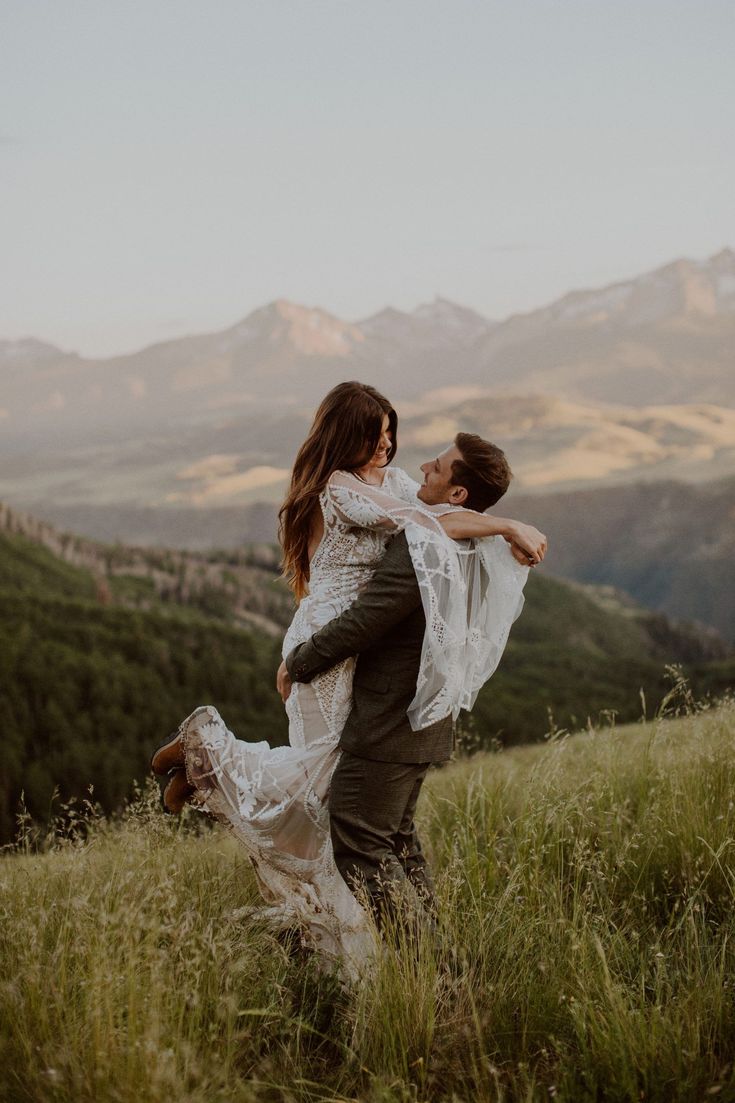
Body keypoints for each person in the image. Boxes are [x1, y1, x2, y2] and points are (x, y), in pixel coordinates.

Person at [151, 382, 545, 973]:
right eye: (375, 435)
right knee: (323, 787)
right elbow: (422, 520)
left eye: (391, 433)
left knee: (328, 790)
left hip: (350, 651)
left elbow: (440, 508)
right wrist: (507, 525)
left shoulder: (390, 480)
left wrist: (495, 521)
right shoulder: (341, 487)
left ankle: (220, 780)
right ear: (347, 436)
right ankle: (211, 760)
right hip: (324, 646)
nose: (390, 449)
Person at [277, 433, 532, 933]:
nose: (421, 468)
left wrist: (298, 661)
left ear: (458, 495)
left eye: (436, 468)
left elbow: (365, 622)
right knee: (398, 844)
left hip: (391, 721)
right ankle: (443, 971)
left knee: (359, 848)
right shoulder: (471, 542)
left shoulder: (425, 545)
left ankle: (427, 968)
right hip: (429, 721)